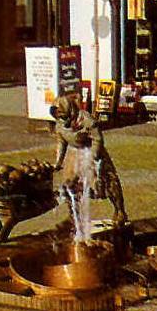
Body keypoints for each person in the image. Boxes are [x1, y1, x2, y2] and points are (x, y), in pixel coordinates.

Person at [49, 93, 127, 229]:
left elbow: (97, 139)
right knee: (70, 185)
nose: (61, 116)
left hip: (92, 151)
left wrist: (94, 157)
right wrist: (58, 162)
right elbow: (61, 142)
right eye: (58, 114)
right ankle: (74, 216)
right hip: (76, 153)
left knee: (108, 181)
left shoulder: (86, 119)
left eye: (62, 112)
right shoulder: (60, 125)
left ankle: (120, 211)